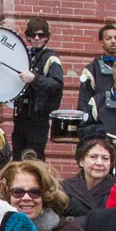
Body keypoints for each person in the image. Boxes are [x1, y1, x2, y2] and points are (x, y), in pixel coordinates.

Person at [12, 17, 67, 160]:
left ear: (46, 37)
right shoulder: (24, 55)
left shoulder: (50, 57)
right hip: (21, 115)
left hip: (38, 118)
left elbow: (57, 84)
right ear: (28, 37)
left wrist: (35, 79)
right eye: (32, 35)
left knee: (34, 159)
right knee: (17, 158)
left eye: (41, 35)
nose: (37, 38)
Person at [76, 23, 116, 111]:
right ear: (101, 42)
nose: (113, 41)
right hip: (99, 120)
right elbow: (84, 103)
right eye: (109, 38)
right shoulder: (91, 70)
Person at [63, 136, 116, 218]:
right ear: (81, 161)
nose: (99, 163)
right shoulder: (65, 188)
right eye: (93, 157)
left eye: (105, 158)